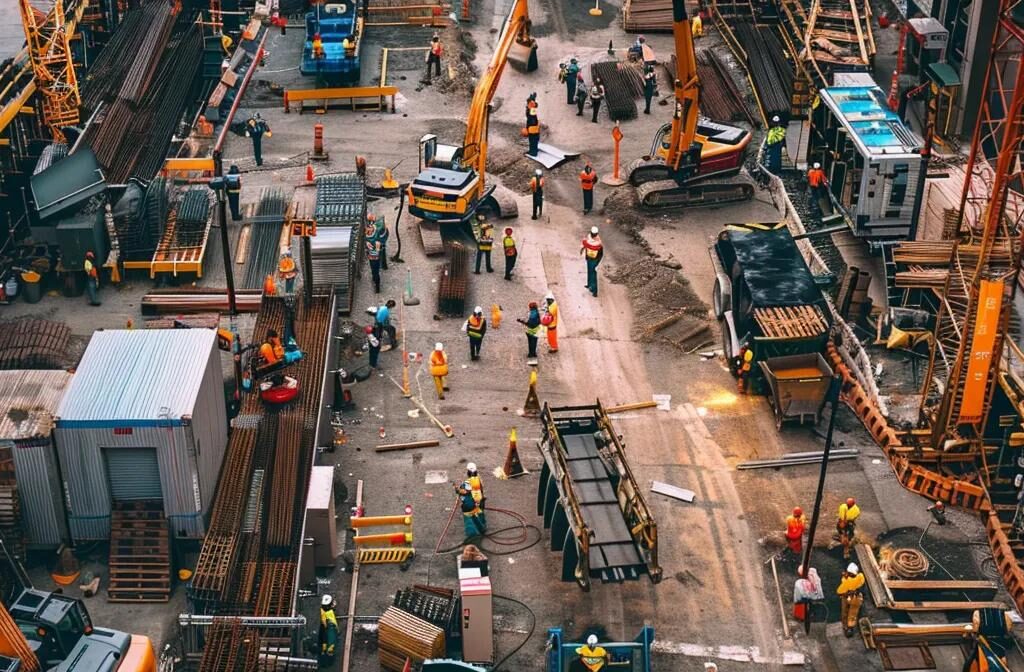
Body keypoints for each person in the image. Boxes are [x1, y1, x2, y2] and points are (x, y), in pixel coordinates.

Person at [837, 563, 865, 637]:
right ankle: (845, 626)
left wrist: (855, 591)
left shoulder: (860, 577)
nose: (851, 575)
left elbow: (861, 587)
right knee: (844, 612)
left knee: (853, 613)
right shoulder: (846, 578)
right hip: (846, 596)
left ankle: (850, 628)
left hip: (855, 597)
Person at [581, 227, 604, 297]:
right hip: (590, 258)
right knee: (589, 271)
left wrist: (596, 262)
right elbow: (601, 253)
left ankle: (594, 290)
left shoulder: (596, 242)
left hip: (593, 259)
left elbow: (585, 244)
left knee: (592, 273)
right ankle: (589, 285)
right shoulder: (598, 242)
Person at [319, 594, 338, 665]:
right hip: (328, 631)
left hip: (325, 630)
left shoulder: (323, 611)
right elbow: (331, 635)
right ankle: (328, 658)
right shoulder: (329, 615)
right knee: (329, 644)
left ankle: (325, 653)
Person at [365, 218, 382, 293]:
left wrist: (377, 246)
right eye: (369, 227)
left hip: (376, 255)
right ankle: (374, 279)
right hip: (371, 256)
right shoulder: (366, 235)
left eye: (371, 227)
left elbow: (379, 241)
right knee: (373, 268)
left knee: (376, 270)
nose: (370, 229)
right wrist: (366, 243)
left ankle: (377, 285)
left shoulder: (376, 233)